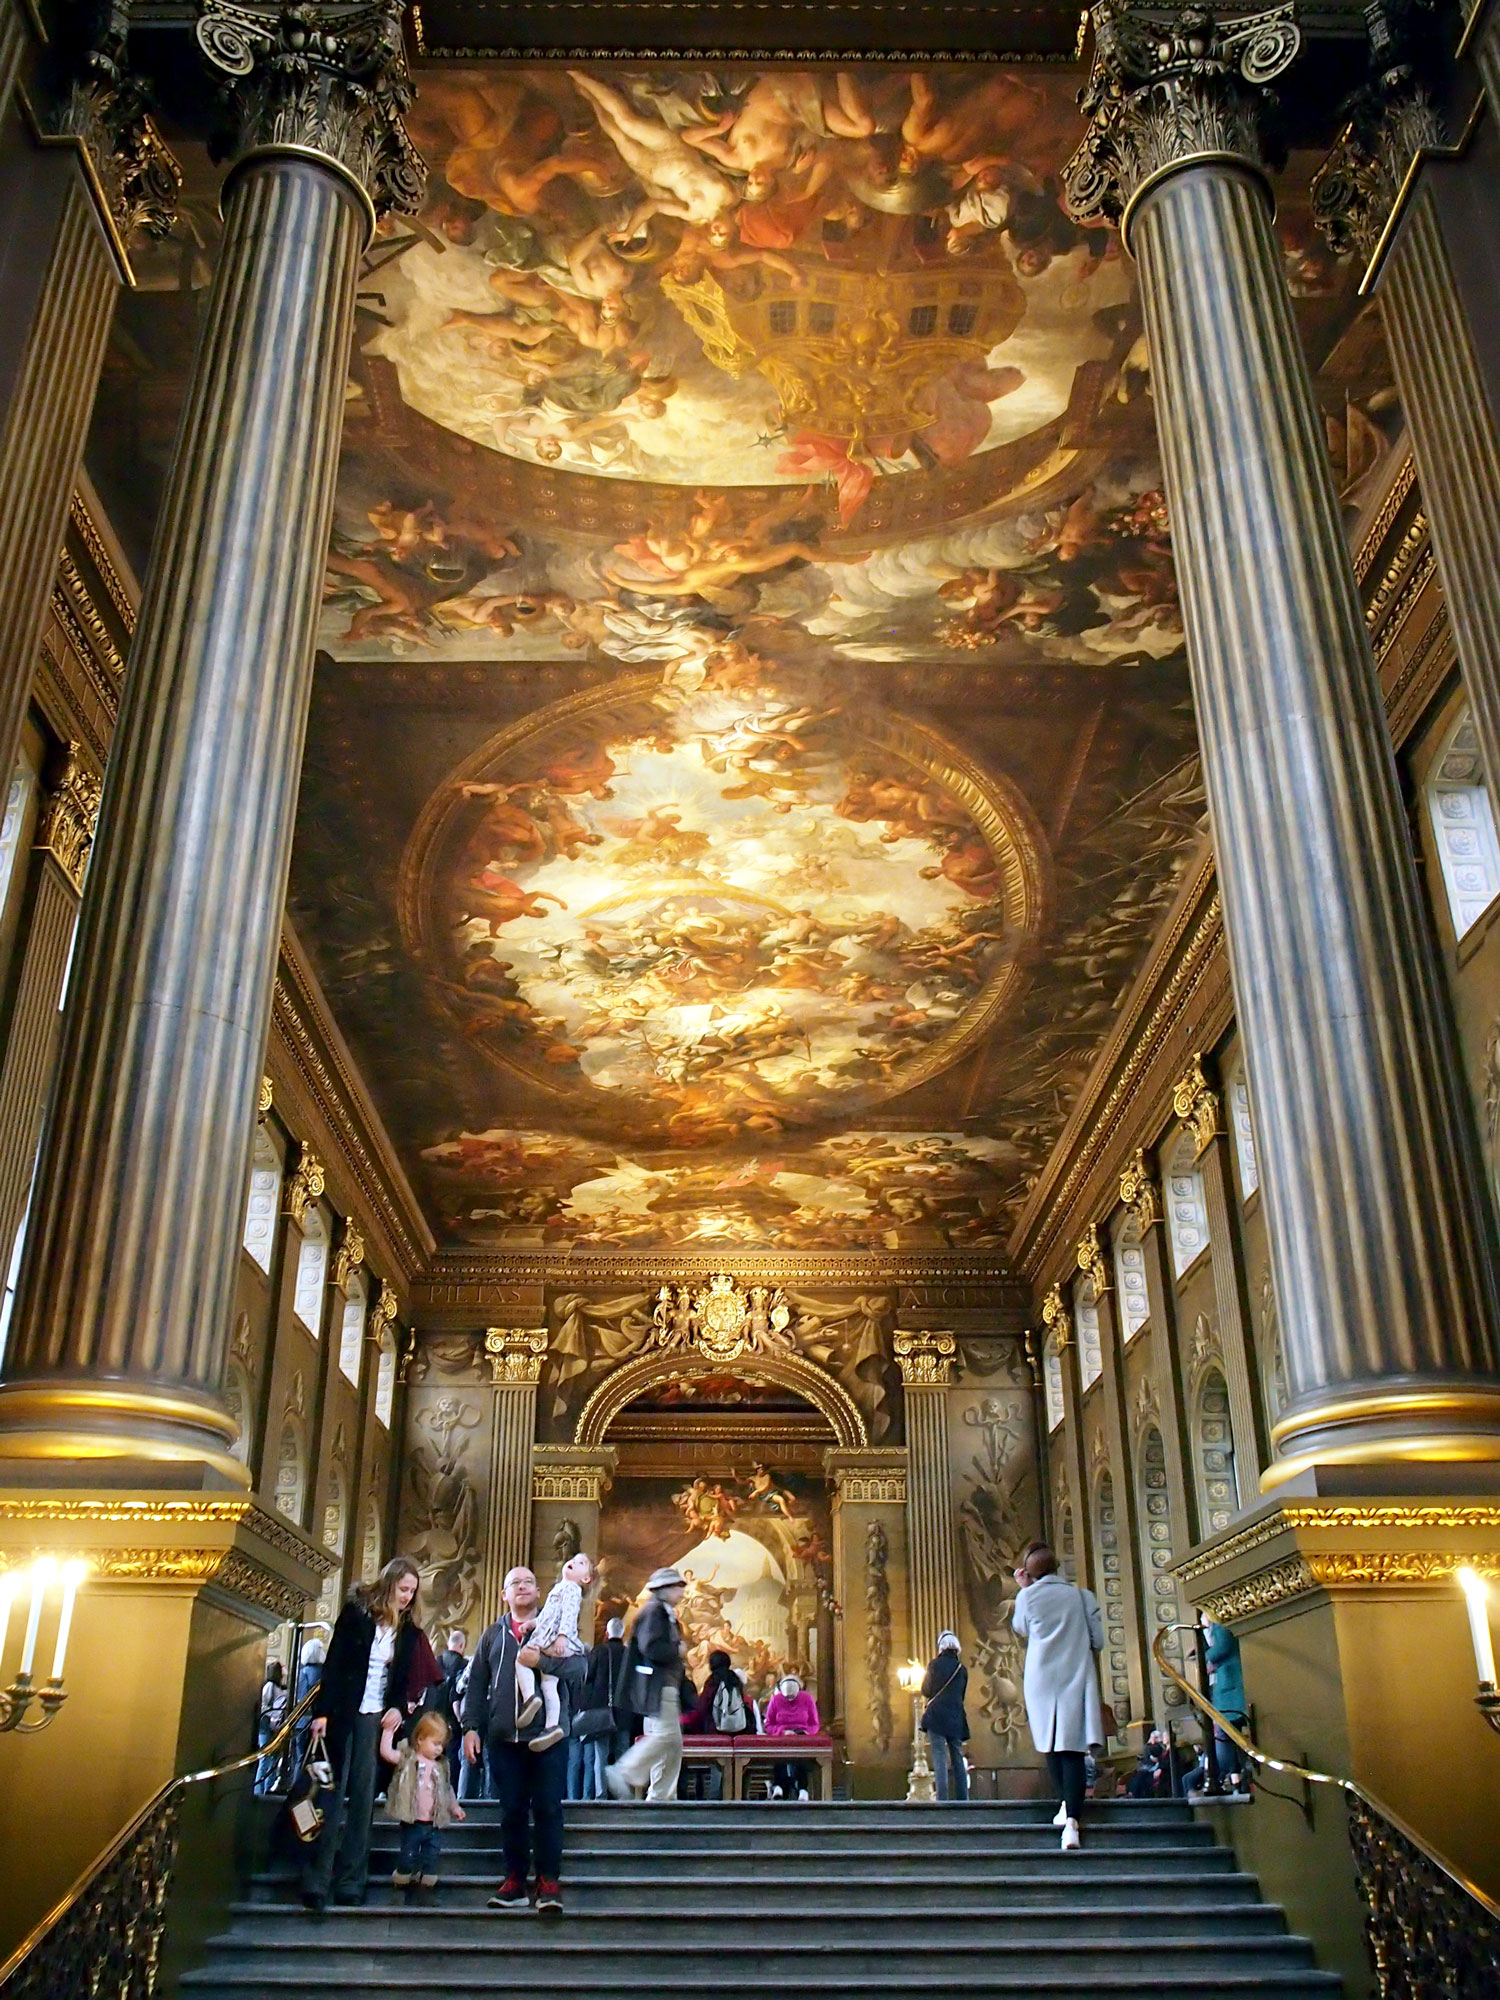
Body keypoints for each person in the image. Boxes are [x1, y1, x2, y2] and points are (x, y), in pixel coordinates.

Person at [302, 1556, 443, 1911]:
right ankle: (317, 1881)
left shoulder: (409, 1632)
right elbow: (334, 1665)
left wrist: (397, 1706)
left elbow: (402, 1680)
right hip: (342, 1713)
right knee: (329, 1798)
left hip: (376, 1718)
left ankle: (352, 1881)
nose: (408, 1597)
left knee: (364, 1801)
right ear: (389, 1584)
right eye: (403, 1589)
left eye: (412, 1591)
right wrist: (321, 1713)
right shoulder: (355, 1615)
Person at [463, 1565, 587, 1915]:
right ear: (504, 1594)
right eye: (514, 1583)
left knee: (548, 1807)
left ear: (538, 1592)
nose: (522, 1587)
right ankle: (514, 1880)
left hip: (549, 1737)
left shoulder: (558, 1626)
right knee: (512, 1810)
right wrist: (471, 1727)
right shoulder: (492, 1636)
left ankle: (548, 1881)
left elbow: (580, 1670)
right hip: (504, 1737)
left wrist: (544, 1662)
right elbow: (476, 1684)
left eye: (529, 1582)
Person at [1011, 1543, 1104, 1851]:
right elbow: (1098, 1641)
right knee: (1073, 1748)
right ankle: (1073, 1821)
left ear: (1031, 1573)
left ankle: (1065, 1807)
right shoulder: (1081, 1596)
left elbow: (1020, 1628)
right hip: (1075, 1675)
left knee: (1051, 1744)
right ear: (1057, 1567)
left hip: (1041, 1679)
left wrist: (1025, 1588)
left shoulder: (1027, 1596)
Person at [606, 1566, 688, 1803]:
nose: (681, 1593)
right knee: (666, 1737)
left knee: (673, 1744)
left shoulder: (663, 1612)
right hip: (658, 1686)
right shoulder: (654, 1612)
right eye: (677, 1588)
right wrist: (677, 1649)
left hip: (663, 1685)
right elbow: (650, 1647)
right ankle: (625, 1771)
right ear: (664, 1589)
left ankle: (662, 1796)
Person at [381, 1709, 465, 1890]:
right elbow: (387, 1753)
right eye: (435, 1743)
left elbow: (447, 1788)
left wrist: (455, 1806)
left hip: (433, 1823)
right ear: (420, 1739)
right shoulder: (409, 1759)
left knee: (432, 1852)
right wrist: (388, 1731)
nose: (439, 1748)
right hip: (413, 1820)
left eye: (441, 1744)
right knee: (408, 1851)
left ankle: (428, 1875)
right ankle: (403, 1873)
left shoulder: (441, 1765)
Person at [518, 1551, 593, 1752]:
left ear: (585, 1578)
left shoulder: (571, 1589)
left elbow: (569, 1614)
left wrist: (562, 1636)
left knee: (521, 1660)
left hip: (554, 1640)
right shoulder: (560, 1587)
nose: (574, 1562)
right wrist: (532, 1623)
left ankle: (530, 1699)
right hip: (549, 1637)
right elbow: (547, 1616)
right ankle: (551, 1726)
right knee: (549, 1683)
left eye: (581, 1563)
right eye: (574, 1559)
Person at [682, 1647, 755, 1799]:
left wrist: (688, 1721)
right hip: (738, 1729)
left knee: (716, 1765)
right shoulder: (734, 1680)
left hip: (716, 1730)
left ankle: (715, 1798)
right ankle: (735, 1795)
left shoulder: (713, 1681)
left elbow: (703, 1707)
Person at [577, 1616, 629, 1800]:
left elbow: (588, 1681)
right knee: (622, 1755)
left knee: (601, 1756)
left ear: (607, 1633)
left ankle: (601, 1794)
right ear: (623, 1633)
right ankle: (622, 1794)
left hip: (601, 1711)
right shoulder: (629, 1654)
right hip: (624, 1712)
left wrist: (585, 1708)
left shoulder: (599, 1652)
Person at [921, 1631, 970, 1802]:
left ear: (940, 1647)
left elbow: (926, 1690)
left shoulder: (934, 1665)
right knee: (957, 1756)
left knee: (939, 1756)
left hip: (936, 1717)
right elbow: (962, 1695)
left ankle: (942, 1799)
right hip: (956, 1717)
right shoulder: (961, 1669)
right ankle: (963, 1799)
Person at [764, 1672, 820, 1800]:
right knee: (780, 1756)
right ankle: (778, 1786)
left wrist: (805, 1732)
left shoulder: (807, 1699)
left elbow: (814, 1724)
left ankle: (802, 1789)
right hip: (781, 1737)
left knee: (801, 1756)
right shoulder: (776, 1700)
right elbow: (768, 1724)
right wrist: (781, 1732)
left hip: (801, 1736)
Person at [435, 1628, 469, 1790]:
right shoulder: (465, 1665)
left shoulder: (436, 1662)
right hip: (454, 1721)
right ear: (462, 1646)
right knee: (453, 1761)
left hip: (434, 1720)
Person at [254, 1659, 290, 1794]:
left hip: (271, 1725)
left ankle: (266, 1788)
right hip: (266, 1725)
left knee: (271, 1759)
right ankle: (259, 1790)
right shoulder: (270, 1686)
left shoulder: (274, 1686)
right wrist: (273, 1716)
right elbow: (264, 1706)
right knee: (265, 1759)